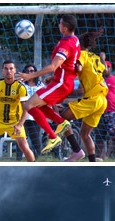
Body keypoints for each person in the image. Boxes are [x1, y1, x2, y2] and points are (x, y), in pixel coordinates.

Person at [15, 15, 80, 154]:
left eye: (60, 23)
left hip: (61, 84)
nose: (58, 25)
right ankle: (61, 123)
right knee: (40, 105)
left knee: (28, 105)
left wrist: (30, 75)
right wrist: (53, 76)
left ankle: (53, 136)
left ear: (65, 27)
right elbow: (69, 65)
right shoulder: (74, 40)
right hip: (61, 81)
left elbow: (53, 66)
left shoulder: (65, 44)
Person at [57, 32, 109, 162]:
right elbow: (106, 71)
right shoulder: (95, 57)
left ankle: (76, 151)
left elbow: (78, 68)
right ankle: (92, 162)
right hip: (102, 100)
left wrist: (72, 66)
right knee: (84, 134)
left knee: (61, 117)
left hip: (92, 98)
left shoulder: (81, 54)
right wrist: (102, 58)